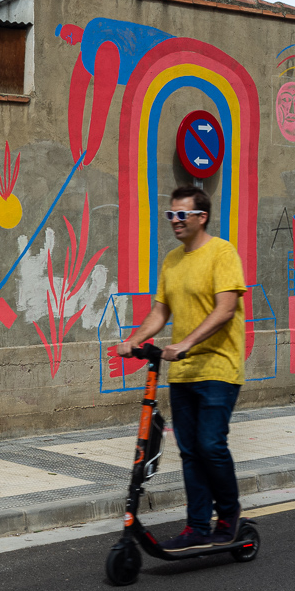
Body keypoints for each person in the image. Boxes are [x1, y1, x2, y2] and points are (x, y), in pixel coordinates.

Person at [116, 185, 246, 550]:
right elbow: (160, 312)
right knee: (189, 450)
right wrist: (135, 341)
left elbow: (226, 309)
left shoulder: (222, 253)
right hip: (184, 373)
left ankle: (230, 516)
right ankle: (197, 526)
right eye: (170, 214)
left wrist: (187, 342)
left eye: (181, 214)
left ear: (200, 217)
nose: (174, 221)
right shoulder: (172, 261)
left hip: (219, 366)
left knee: (210, 444)